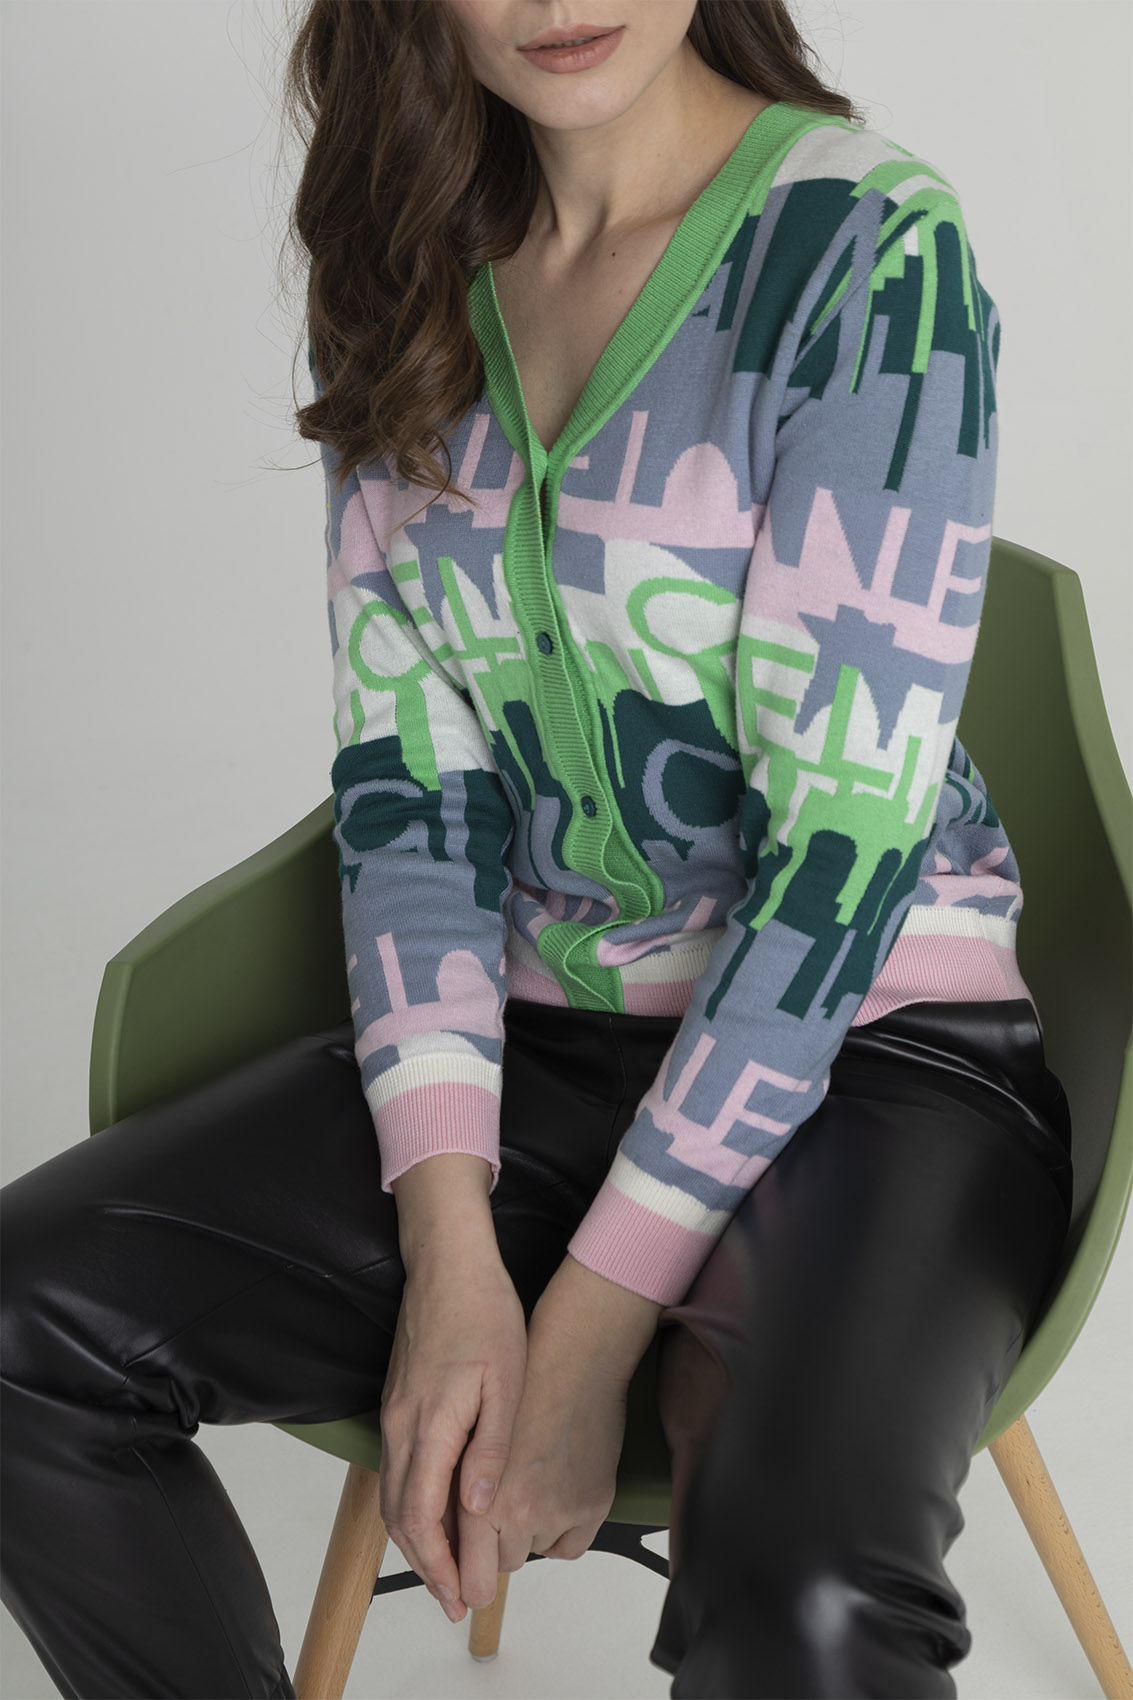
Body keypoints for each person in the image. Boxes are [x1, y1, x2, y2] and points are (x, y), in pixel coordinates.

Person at [0, 3, 1075, 1696]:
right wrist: (453, 1253)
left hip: (876, 1044)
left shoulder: (866, 251)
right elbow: (413, 799)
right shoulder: (406, 266)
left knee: (803, 1591)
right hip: (545, 1044)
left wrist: (588, 1321)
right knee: (18, 1333)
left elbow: (838, 859)